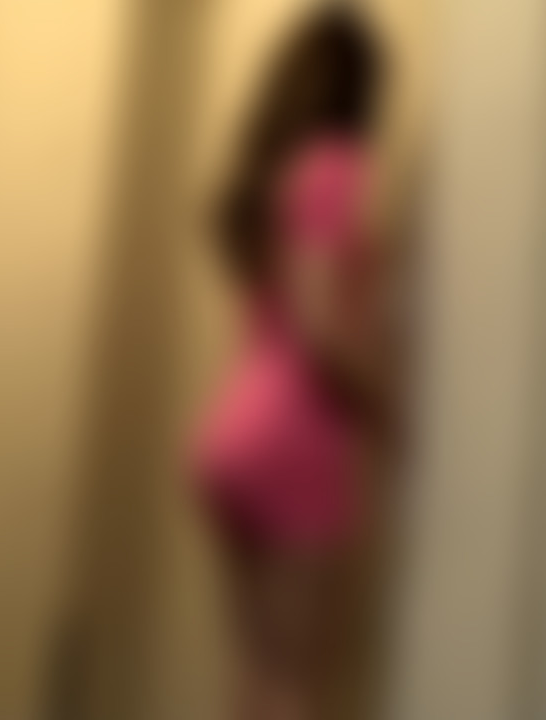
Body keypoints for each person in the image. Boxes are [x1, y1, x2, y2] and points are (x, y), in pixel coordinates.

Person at [194, 6, 389, 720]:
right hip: (296, 440)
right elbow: (318, 323)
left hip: (231, 434)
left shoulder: (274, 178)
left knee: (257, 676)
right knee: (298, 689)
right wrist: (390, 405)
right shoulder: (334, 166)